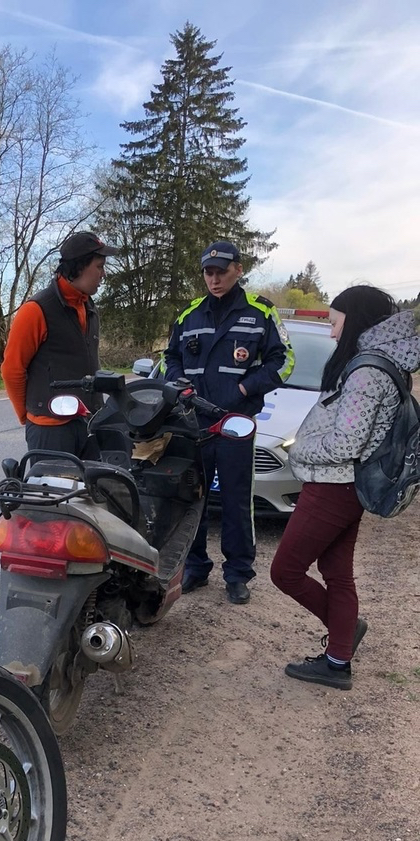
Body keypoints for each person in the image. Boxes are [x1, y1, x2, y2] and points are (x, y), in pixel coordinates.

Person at [270, 285, 420, 690]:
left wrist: (302, 449)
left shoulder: (368, 371)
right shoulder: (380, 362)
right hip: (346, 486)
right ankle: (338, 660)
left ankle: (344, 634)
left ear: (353, 319)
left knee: (284, 571)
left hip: (334, 485)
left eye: (335, 323)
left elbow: (346, 443)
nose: (333, 333)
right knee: (337, 572)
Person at [163, 241, 294, 605]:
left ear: (238, 269)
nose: (215, 279)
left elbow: (284, 362)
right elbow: (169, 359)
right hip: (193, 424)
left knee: (236, 499)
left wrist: (245, 386)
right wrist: (178, 383)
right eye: (209, 272)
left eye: (222, 271)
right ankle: (195, 566)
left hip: (236, 422)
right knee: (192, 498)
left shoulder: (260, 312)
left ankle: (238, 574)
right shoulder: (189, 314)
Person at [1, 230, 119, 456]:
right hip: (51, 430)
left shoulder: (89, 307)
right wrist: (29, 416)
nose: (103, 274)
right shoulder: (36, 310)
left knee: (95, 491)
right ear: (79, 266)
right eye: (99, 266)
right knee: (53, 492)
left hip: (90, 423)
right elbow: (12, 369)